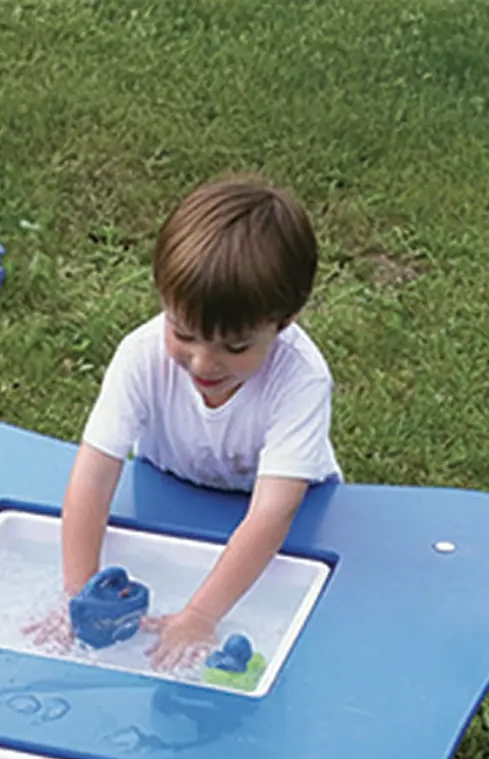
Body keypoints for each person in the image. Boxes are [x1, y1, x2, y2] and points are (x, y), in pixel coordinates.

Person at [37, 176, 339, 668]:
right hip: (170, 493)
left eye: (235, 346)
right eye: (184, 333)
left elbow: (273, 514)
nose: (203, 363)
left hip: (291, 522)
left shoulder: (300, 379)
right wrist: (80, 594)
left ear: (284, 322)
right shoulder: (139, 356)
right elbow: (92, 476)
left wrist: (200, 614)